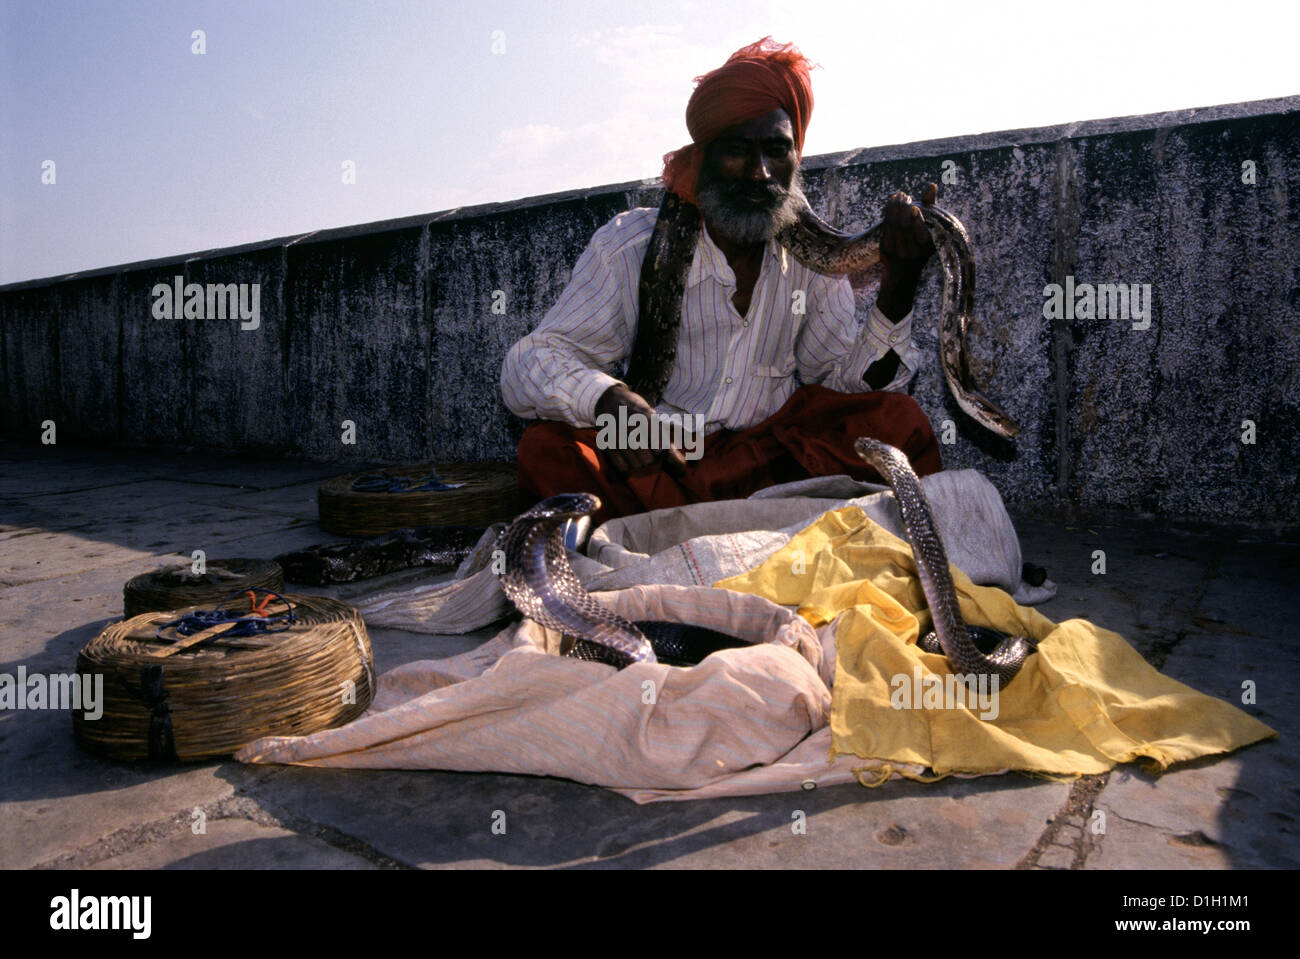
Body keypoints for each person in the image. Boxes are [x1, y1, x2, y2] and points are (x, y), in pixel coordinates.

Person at [501, 37, 942, 525]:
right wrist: (607, 398)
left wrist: (899, 287)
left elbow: (846, 390)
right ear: (702, 158)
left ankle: (689, 539)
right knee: (550, 450)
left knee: (898, 423)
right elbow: (528, 363)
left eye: (777, 150)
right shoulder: (631, 246)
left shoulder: (815, 256)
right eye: (736, 151)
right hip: (668, 451)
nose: (759, 173)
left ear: (796, 157)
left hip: (770, 456)